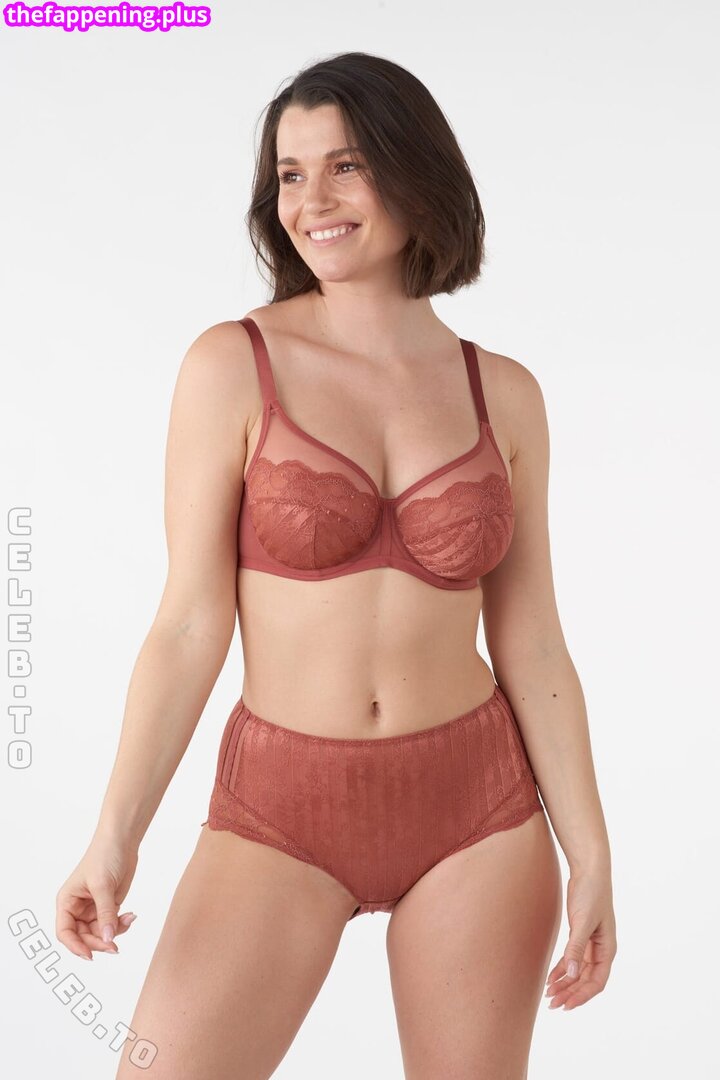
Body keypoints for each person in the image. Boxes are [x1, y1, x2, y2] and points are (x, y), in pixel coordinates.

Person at [56, 51, 616, 1080]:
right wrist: (115, 836)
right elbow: (188, 623)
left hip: (479, 812)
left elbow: (533, 639)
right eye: (291, 173)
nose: (312, 200)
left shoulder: (505, 394)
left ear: (414, 173)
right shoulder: (232, 365)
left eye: (346, 165)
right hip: (280, 811)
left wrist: (591, 853)